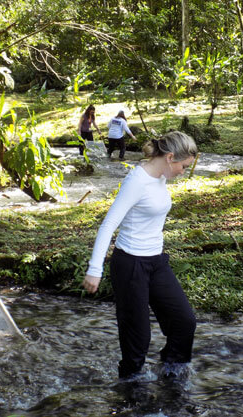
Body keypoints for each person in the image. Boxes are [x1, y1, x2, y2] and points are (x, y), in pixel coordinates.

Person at [83, 131, 198, 379]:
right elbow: (109, 224)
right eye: (183, 166)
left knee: (184, 322)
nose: (183, 172)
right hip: (131, 264)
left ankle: (173, 374)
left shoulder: (161, 176)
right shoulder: (137, 181)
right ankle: (130, 389)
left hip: (156, 261)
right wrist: (95, 269)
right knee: (138, 338)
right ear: (169, 157)